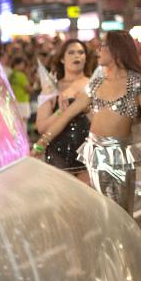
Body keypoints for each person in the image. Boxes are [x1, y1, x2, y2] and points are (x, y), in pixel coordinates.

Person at [34, 31, 141, 215]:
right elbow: (67, 114)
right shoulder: (96, 83)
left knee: (122, 216)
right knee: (101, 216)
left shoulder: (137, 83)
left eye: (102, 46)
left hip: (120, 157)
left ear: (116, 50)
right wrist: (41, 144)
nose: (97, 50)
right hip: (94, 155)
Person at [36, 39, 92, 182]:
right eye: (71, 52)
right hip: (58, 156)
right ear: (62, 59)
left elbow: (104, 123)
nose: (76, 56)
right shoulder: (51, 89)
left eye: (81, 52)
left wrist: (87, 109)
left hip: (89, 155)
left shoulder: (95, 85)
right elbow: (41, 127)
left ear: (86, 57)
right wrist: (60, 112)